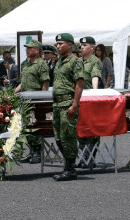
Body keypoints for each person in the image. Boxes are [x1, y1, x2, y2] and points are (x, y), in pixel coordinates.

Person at [52, 33, 84, 181]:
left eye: (61, 44)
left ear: (69, 45)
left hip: (68, 103)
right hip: (57, 104)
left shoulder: (75, 61)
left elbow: (79, 84)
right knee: (58, 137)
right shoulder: (58, 62)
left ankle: (70, 168)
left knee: (68, 136)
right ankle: (67, 164)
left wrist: (75, 104)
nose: (58, 46)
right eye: (57, 44)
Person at [15, 40, 49, 164]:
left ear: (37, 50)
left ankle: (38, 153)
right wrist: (13, 93)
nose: (27, 50)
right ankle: (31, 152)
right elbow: (22, 84)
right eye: (27, 48)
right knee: (26, 127)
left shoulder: (41, 64)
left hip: (36, 100)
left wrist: (43, 101)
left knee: (35, 126)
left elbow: (45, 83)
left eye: (30, 48)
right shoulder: (26, 64)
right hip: (25, 100)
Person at [78, 37, 102, 168]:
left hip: (89, 99)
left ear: (92, 47)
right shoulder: (78, 61)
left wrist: (94, 93)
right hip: (79, 98)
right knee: (80, 128)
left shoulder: (95, 61)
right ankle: (83, 157)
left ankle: (90, 157)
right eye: (81, 45)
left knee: (91, 129)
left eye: (85, 45)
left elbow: (95, 77)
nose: (82, 47)